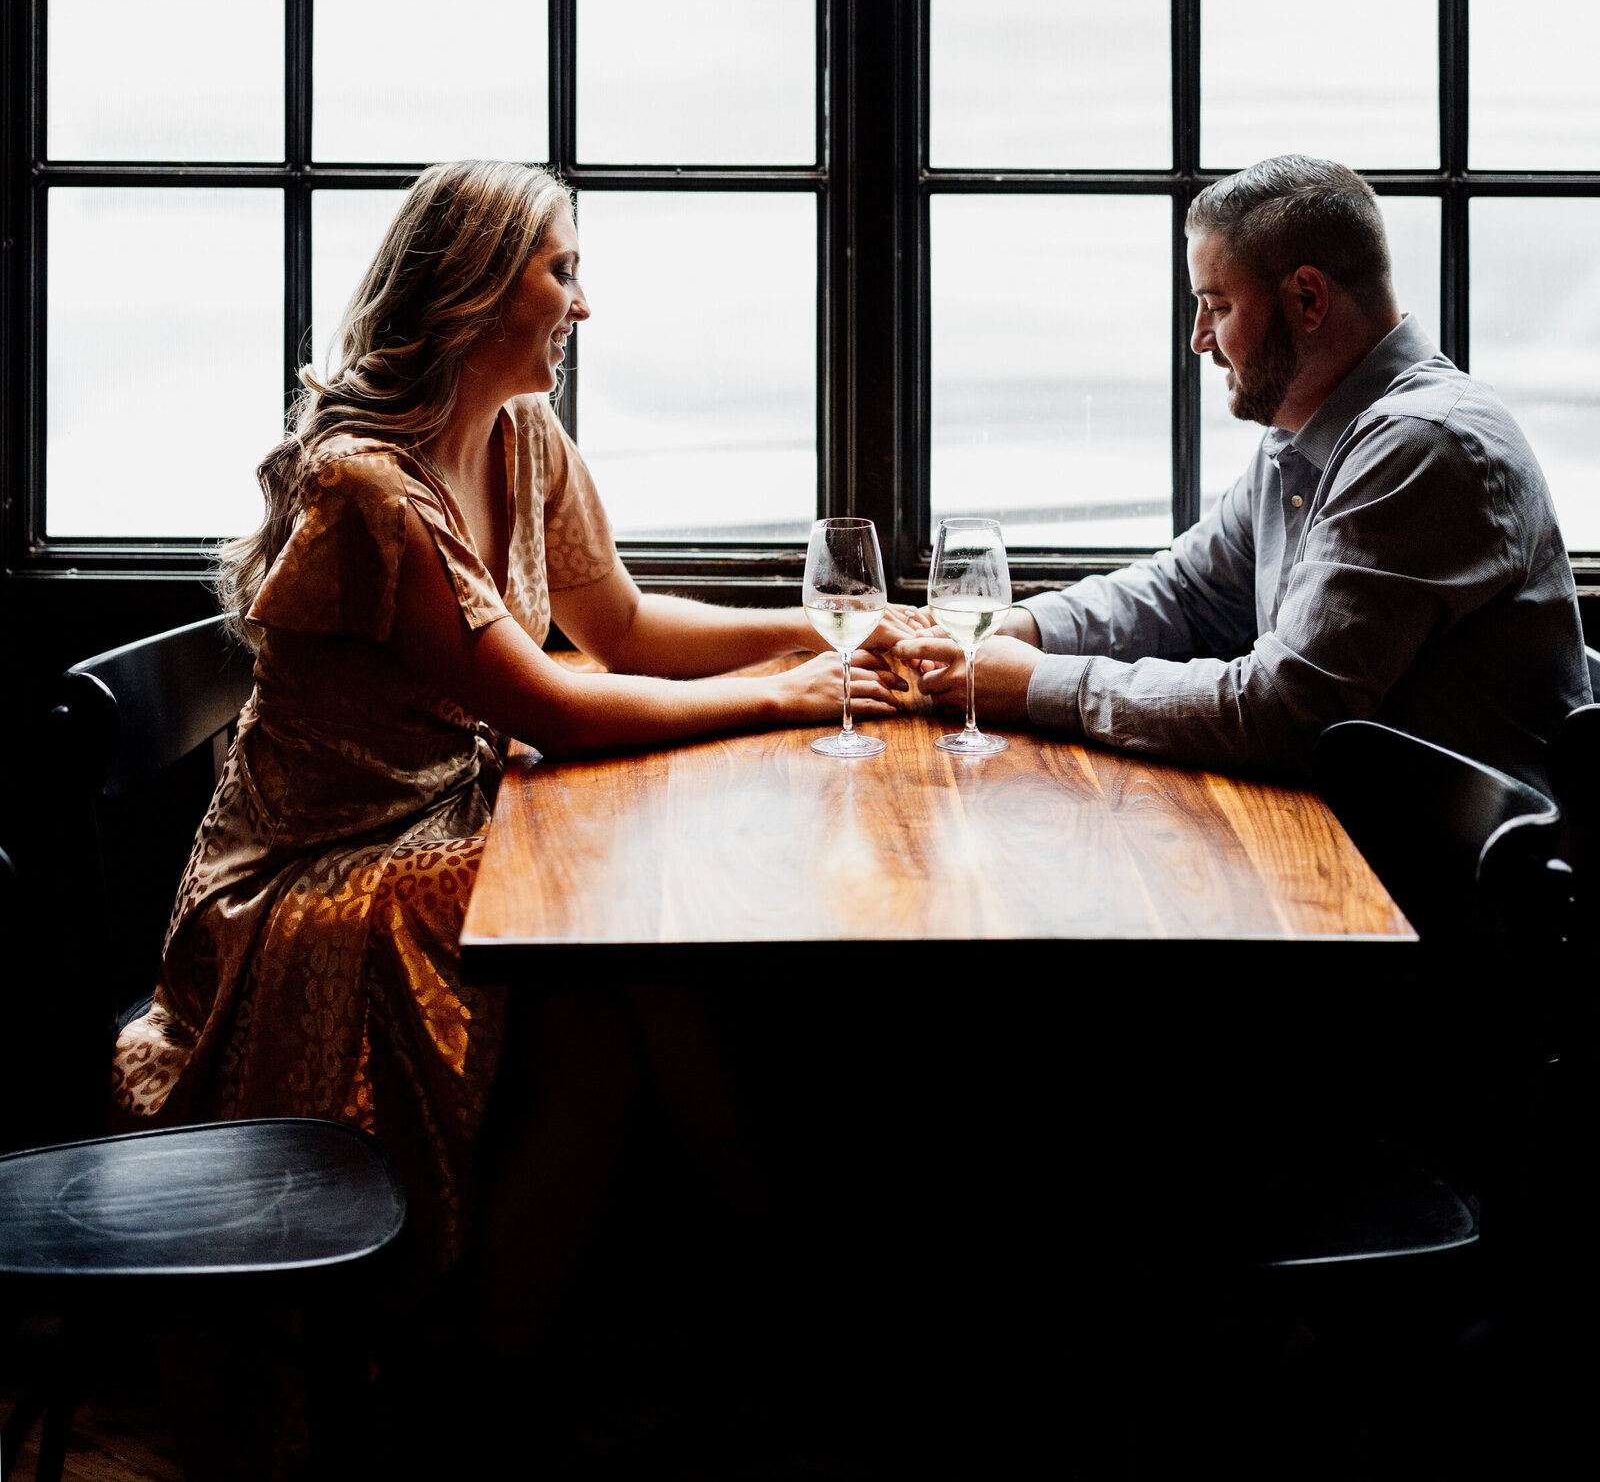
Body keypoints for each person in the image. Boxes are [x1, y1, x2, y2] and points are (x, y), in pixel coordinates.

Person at [111, 160, 908, 1276]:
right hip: (321, 872)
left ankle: (718, 1298)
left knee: (628, 980)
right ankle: (773, 1278)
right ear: (479, 288)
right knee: (626, 973)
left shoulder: (523, 435)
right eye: (562, 270)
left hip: (457, 821)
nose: (583, 304)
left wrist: (821, 631)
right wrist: (793, 693)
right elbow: (554, 708)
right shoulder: (367, 488)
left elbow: (622, 625)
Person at [908, 155, 1589, 790]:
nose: (1199, 337)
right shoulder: (1307, 434)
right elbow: (1187, 592)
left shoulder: (1420, 446)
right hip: (1368, 833)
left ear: (1308, 301)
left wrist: (1036, 685)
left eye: (1218, 305)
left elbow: (1283, 713)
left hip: (1454, 884)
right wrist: (1019, 629)